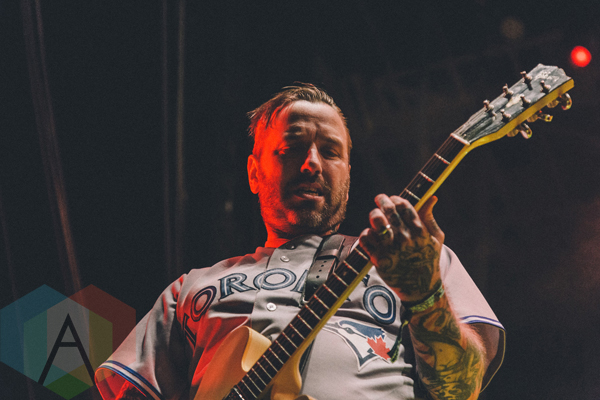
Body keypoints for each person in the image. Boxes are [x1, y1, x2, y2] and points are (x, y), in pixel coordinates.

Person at [95, 84, 504, 400]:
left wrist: (426, 292)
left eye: (331, 152)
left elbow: (461, 388)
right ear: (254, 173)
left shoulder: (414, 255)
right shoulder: (190, 287)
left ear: (347, 174)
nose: (311, 164)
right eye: (291, 148)